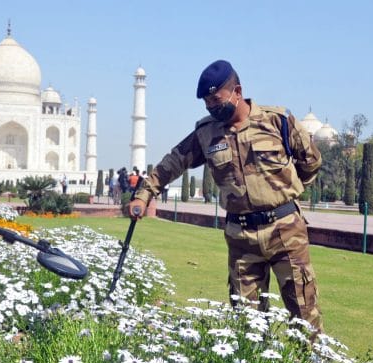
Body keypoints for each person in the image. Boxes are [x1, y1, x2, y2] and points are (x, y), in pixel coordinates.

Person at [129, 60, 323, 334]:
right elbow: (173, 162)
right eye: (207, 104)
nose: (212, 107)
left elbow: (311, 161)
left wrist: (285, 192)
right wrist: (144, 194)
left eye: (217, 100)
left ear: (237, 91)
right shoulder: (207, 133)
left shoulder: (277, 121)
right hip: (241, 237)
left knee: (304, 314)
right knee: (246, 324)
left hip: (285, 231)